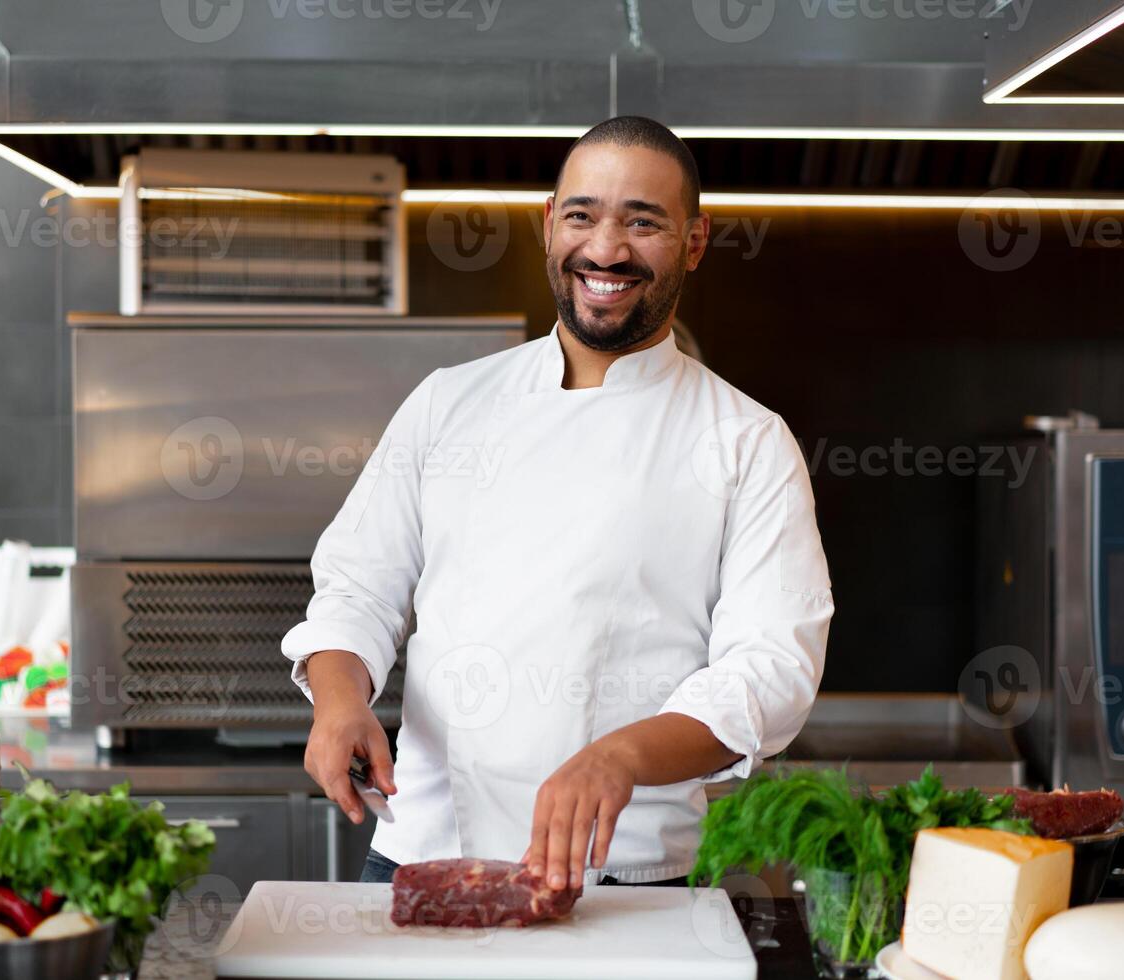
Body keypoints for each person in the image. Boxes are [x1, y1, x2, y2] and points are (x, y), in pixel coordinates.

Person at [283, 116, 833, 890]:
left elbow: (769, 670)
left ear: (696, 241)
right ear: (549, 225)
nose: (606, 250)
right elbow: (358, 588)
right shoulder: (449, 404)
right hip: (428, 847)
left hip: (626, 875)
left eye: (643, 222)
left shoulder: (747, 441)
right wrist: (339, 703)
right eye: (583, 215)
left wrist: (622, 755)